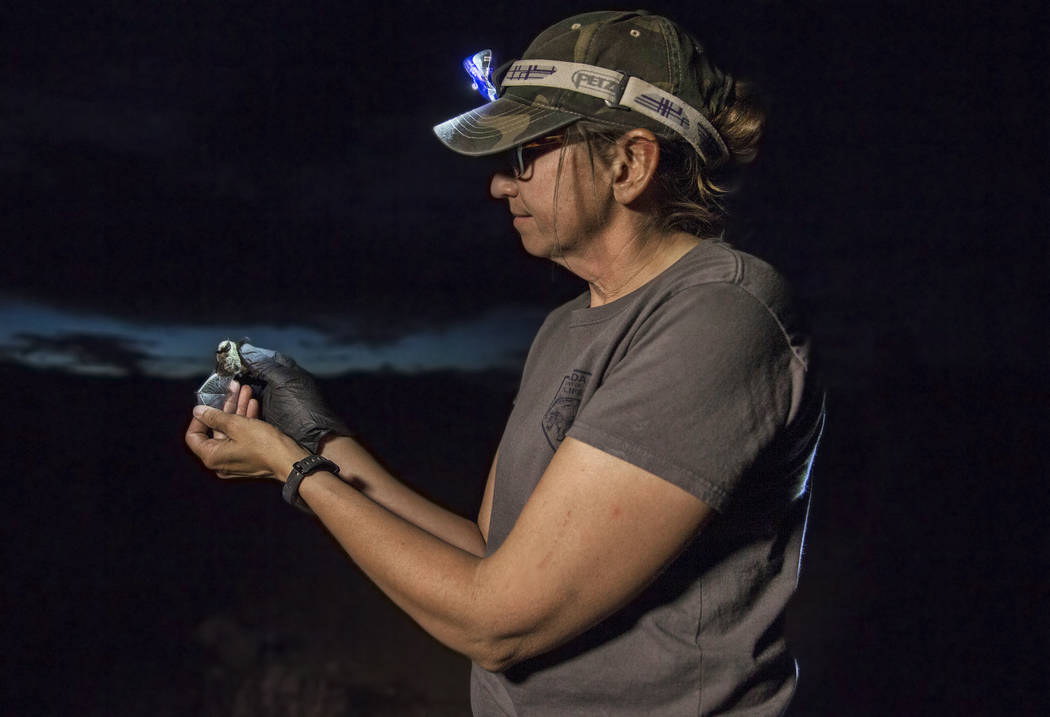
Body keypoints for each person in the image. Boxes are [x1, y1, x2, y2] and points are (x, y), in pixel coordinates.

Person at [186, 10, 825, 716]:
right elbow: (488, 551)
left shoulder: (724, 317)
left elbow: (498, 620)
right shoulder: (566, 326)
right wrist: (318, 439)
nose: (499, 185)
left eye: (526, 156)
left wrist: (291, 469)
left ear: (630, 162)